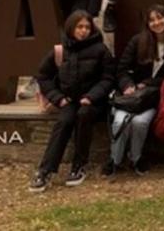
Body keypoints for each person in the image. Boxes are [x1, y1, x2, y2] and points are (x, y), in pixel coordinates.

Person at [28, 11, 114, 192]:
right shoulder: (60, 51)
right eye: (79, 27)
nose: (83, 31)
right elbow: (42, 76)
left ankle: (79, 165)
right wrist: (58, 98)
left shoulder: (100, 50)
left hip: (94, 101)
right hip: (69, 100)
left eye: (87, 27)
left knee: (84, 116)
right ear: (71, 28)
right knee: (64, 122)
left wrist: (91, 96)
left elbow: (108, 78)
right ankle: (45, 171)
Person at [104, 4, 164, 177]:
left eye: (160, 18)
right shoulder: (137, 41)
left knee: (140, 122)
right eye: (152, 20)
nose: (157, 23)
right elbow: (121, 69)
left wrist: (148, 83)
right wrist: (127, 85)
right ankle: (115, 159)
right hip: (130, 95)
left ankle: (136, 158)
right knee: (120, 121)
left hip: (152, 97)